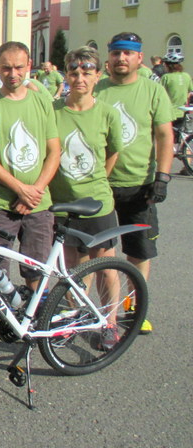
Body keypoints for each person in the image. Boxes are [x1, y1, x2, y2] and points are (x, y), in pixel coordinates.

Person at [0, 42, 60, 358]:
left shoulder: (41, 101)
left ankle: (31, 321)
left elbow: (54, 151)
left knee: (35, 268)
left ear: (29, 65)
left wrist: (34, 189)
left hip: (38, 203)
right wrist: (20, 189)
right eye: (6, 67)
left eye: (19, 67)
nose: (12, 74)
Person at [94, 32, 175, 334]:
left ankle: (132, 304)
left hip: (140, 184)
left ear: (139, 57)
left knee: (139, 251)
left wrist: (162, 177)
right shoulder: (98, 89)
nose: (121, 58)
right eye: (116, 53)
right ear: (109, 57)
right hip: (100, 184)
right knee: (100, 252)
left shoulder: (153, 91)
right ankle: (102, 311)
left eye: (128, 53)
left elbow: (164, 135)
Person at [50, 47, 123, 348]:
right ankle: (75, 315)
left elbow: (113, 152)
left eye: (86, 72)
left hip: (97, 203)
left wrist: (98, 180)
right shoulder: (53, 110)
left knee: (105, 265)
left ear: (98, 75)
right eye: (74, 72)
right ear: (66, 75)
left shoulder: (107, 113)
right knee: (73, 268)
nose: (80, 78)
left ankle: (110, 322)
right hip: (64, 203)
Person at [159, 52, 193, 139]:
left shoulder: (166, 77)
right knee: (178, 136)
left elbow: (159, 94)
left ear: (169, 66)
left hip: (169, 112)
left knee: (166, 136)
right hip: (182, 111)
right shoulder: (186, 76)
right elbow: (190, 92)